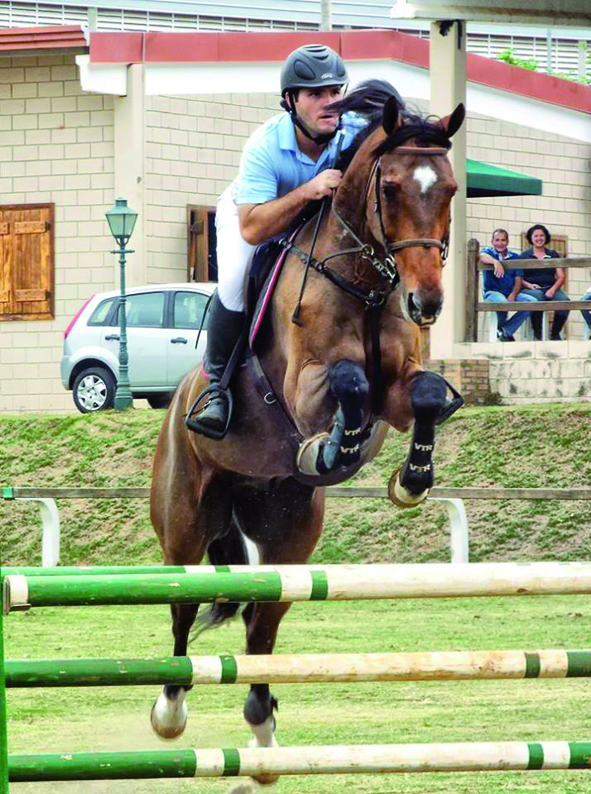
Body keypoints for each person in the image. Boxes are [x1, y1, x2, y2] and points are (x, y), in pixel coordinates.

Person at [194, 44, 376, 436]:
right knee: (234, 280)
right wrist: (309, 190)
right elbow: (253, 229)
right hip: (256, 216)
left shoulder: (355, 131)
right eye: (316, 95)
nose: (330, 102)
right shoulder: (264, 145)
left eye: (335, 92)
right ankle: (217, 389)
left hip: (316, 228)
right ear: (291, 101)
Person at [480, 228, 536, 341]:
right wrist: (495, 262)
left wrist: (513, 294)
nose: (500, 243)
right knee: (502, 303)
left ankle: (505, 331)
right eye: (497, 240)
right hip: (493, 293)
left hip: (510, 292)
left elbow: (518, 278)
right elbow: (481, 256)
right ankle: (501, 332)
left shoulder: (515, 257)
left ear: (508, 242)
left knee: (533, 302)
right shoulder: (489, 252)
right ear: (492, 242)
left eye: (503, 240)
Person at [519, 224, 570, 341]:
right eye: (536, 236)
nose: (539, 238)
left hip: (551, 287)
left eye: (541, 235)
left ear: (545, 237)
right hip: (532, 289)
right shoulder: (524, 256)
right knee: (538, 297)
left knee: (565, 301)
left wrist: (553, 289)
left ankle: (555, 333)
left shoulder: (553, 254)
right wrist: (529, 285)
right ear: (531, 239)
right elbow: (519, 278)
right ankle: (538, 333)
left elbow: (561, 276)